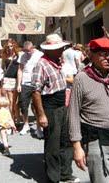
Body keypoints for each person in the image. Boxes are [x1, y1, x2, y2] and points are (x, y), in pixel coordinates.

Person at [69, 37, 109, 183]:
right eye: (103, 54)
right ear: (92, 55)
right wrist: (77, 147)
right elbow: (73, 114)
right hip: (97, 139)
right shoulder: (82, 78)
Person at [31, 34, 79, 183]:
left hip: (62, 104)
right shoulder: (42, 64)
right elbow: (36, 91)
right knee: (53, 144)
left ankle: (65, 173)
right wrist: (41, 115)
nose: (62, 50)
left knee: (66, 140)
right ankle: (53, 178)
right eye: (58, 48)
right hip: (50, 106)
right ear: (49, 50)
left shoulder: (57, 61)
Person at [17, 41, 44, 137]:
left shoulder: (40, 55)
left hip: (36, 82)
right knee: (23, 105)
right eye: (25, 51)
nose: (27, 53)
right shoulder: (22, 55)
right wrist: (19, 84)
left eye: (28, 51)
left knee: (37, 106)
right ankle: (26, 124)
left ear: (33, 48)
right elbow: (20, 69)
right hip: (25, 82)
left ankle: (38, 127)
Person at [2, 38, 21, 124]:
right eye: (8, 46)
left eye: (11, 46)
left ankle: (17, 117)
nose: (10, 48)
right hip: (8, 79)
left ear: (14, 46)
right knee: (11, 101)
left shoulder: (18, 55)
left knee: (15, 101)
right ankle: (12, 120)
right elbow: (3, 67)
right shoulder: (5, 56)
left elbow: (20, 68)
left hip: (16, 79)